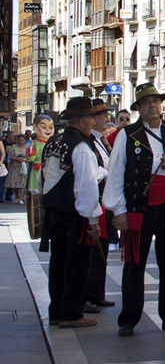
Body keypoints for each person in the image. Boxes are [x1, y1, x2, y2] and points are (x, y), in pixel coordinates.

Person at [103, 83, 165, 337]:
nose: (153, 106)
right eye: (147, 103)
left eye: (156, 101)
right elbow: (115, 174)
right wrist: (119, 211)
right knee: (134, 263)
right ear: (138, 108)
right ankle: (129, 319)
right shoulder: (128, 134)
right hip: (138, 208)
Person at [42, 98, 102, 327]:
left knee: (57, 262)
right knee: (76, 264)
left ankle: (56, 310)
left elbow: (45, 178)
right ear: (84, 120)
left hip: (54, 209)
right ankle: (71, 313)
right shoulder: (82, 147)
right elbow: (86, 186)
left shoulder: (54, 142)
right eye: (91, 118)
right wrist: (93, 219)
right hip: (75, 214)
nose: (92, 122)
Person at [84, 98, 115, 313]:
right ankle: (89, 295)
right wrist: (105, 173)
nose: (107, 118)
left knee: (102, 248)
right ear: (92, 119)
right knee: (92, 251)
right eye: (103, 115)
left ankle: (97, 293)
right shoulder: (87, 142)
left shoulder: (101, 141)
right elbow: (94, 173)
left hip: (105, 201)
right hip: (95, 200)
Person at [25, 114, 54, 238]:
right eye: (43, 127)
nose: (48, 130)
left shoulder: (54, 142)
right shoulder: (35, 143)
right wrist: (31, 151)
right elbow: (30, 157)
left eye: (50, 127)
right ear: (35, 128)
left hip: (50, 170)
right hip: (38, 169)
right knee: (36, 189)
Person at [6, 134, 28, 203]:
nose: (21, 141)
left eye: (23, 140)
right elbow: (11, 157)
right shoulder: (13, 147)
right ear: (17, 140)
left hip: (23, 166)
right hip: (15, 166)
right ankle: (17, 195)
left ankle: (21, 198)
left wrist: (24, 159)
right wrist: (17, 159)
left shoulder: (27, 147)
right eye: (20, 140)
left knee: (23, 182)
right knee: (15, 182)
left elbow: (29, 157)